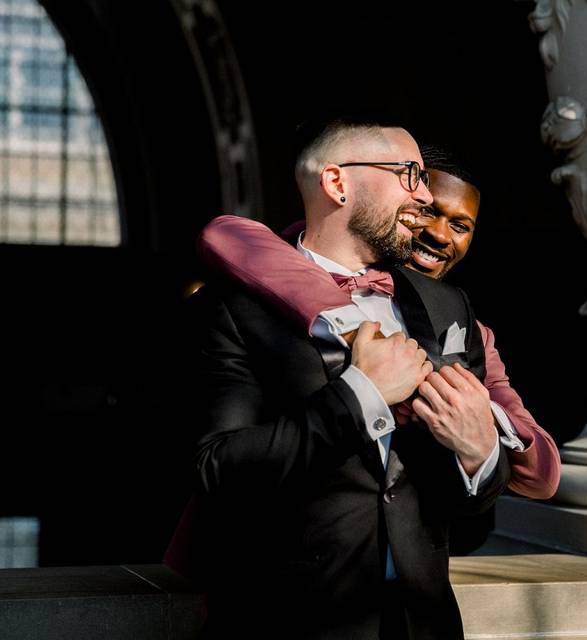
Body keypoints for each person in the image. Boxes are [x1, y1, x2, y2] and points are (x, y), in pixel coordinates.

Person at [187, 120, 511, 639]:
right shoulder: (231, 310)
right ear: (337, 184)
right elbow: (217, 470)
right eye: (410, 175)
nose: (426, 195)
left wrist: (480, 455)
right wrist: (362, 397)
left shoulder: (447, 305)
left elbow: (468, 507)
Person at [196, 149, 560, 501]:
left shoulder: (468, 326)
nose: (440, 234)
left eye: (460, 226)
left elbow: (542, 475)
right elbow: (226, 234)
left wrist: (472, 413)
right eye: (428, 211)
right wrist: (357, 330)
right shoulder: (286, 269)